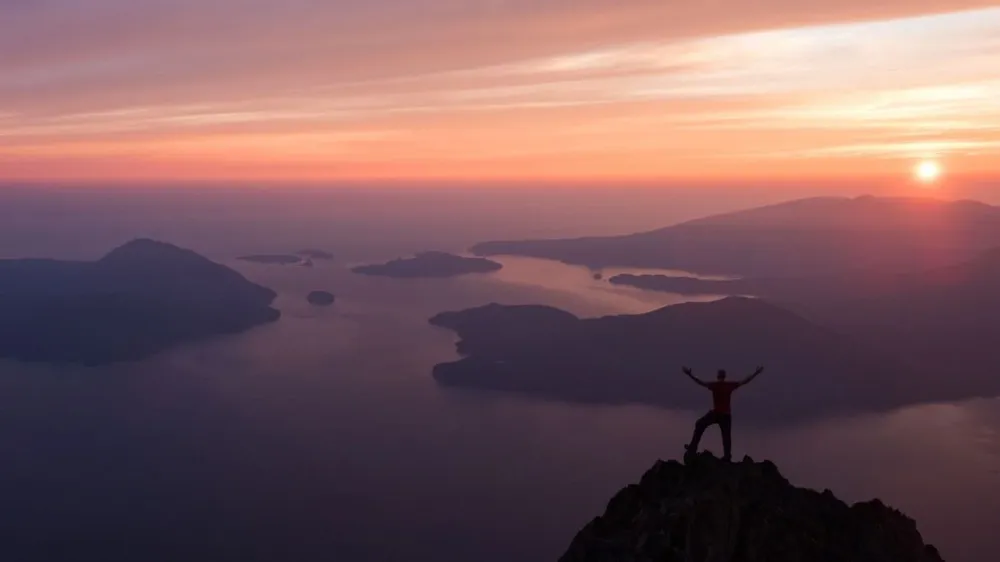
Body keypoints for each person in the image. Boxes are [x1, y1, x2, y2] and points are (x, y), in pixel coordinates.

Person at [682, 365, 764, 461]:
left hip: (718, 414)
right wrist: (755, 373)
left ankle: (693, 449)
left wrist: (690, 375)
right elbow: (744, 381)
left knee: (702, 425)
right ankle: (726, 457)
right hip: (724, 415)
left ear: (718, 376)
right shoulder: (727, 385)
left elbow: (700, 382)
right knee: (725, 436)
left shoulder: (716, 385)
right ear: (724, 377)